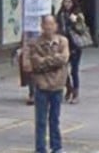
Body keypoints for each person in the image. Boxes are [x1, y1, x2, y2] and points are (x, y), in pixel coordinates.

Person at [28, 14, 69, 153]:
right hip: (42, 86)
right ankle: (40, 149)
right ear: (42, 27)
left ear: (56, 26)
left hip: (57, 85)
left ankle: (56, 147)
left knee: (54, 119)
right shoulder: (35, 43)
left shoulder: (63, 41)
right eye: (46, 24)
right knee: (40, 121)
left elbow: (63, 59)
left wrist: (46, 61)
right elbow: (36, 63)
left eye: (51, 24)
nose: (49, 27)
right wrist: (53, 61)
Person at [57, 0, 87, 104]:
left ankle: (76, 93)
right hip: (63, 46)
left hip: (75, 45)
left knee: (74, 70)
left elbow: (82, 30)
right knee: (63, 69)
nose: (67, 4)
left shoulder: (77, 14)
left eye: (69, 2)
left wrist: (75, 22)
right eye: (65, 2)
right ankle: (68, 87)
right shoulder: (61, 14)